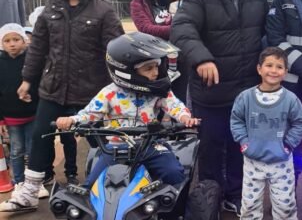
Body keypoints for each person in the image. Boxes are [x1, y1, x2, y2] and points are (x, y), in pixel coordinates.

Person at [2, 0, 123, 213]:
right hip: (54, 88)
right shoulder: (51, 9)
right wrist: (27, 80)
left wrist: (119, 84)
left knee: (100, 139)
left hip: (91, 90)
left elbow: (116, 48)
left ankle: (116, 185)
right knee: (40, 136)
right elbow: (38, 48)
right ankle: (30, 191)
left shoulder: (102, 10)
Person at [171, 0, 268, 215]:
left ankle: (236, 195)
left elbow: (268, 31)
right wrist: (201, 58)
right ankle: (208, 200)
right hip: (210, 90)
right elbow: (182, 29)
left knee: (241, 146)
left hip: (247, 88)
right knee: (211, 148)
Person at [56, 33, 199, 187]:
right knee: (91, 185)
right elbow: (90, 114)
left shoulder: (159, 91)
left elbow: (174, 105)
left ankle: (170, 203)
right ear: (127, 71)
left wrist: (185, 118)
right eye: (148, 68)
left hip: (150, 145)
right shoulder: (109, 93)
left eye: (156, 66)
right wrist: (72, 120)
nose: (156, 72)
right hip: (115, 148)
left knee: (174, 174)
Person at [229, 47, 302, 220]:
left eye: (279, 67)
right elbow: (236, 120)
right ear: (259, 69)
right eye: (269, 65)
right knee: (249, 202)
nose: (274, 70)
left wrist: (288, 145)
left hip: (281, 161)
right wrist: (244, 142)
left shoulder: (290, 99)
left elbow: (300, 123)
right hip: (253, 161)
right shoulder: (245, 97)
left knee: (285, 203)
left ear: (285, 72)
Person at [0, 24, 40, 196]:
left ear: (24, 41)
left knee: (33, 150)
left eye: (16, 39)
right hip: (11, 117)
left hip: (32, 114)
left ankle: (34, 182)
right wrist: (1, 120)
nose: (12, 44)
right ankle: (19, 181)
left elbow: (39, 84)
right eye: (7, 40)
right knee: (16, 150)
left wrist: (32, 96)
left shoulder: (32, 61)